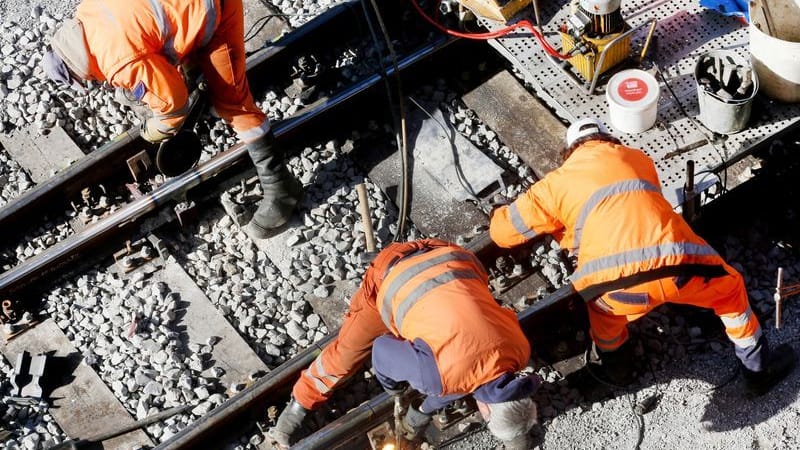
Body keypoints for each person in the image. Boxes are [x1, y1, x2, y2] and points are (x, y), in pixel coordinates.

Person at [489, 118, 796, 393]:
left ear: (569, 153)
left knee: (606, 321)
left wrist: (507, 212)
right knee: (730, 292)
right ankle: (758, 370)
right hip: (679, 266)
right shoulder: (638, 158)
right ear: (610, 141)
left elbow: (502, 234)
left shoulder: (555, 184)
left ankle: (620, 370)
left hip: (613, 287)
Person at [42, 0, 302, 238]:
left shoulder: (118, 62)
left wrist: (155, 131)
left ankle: (281, 188)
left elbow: (174, 106)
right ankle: (201, 75)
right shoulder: (88, 12)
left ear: (77, 73)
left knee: (233, 105)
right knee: (172, 53)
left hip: (217, 9)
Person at [270, 239, 540, 449]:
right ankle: (301, 400)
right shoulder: (438, 379)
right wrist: (395, 389)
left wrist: (423, 409)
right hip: (392, 275)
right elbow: (381, 351)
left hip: (452, 257)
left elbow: (469, 372)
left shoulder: (521, 350)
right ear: (486, 410)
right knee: (347, 352)